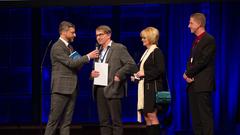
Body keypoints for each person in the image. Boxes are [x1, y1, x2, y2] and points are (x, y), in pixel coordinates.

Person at [44, 21, 99, 135]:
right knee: (53, 121)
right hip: (60, 89)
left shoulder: (70, 47)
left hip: (72, 88)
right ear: (64, 32)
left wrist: (91, 71)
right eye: (72, 32)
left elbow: (77, 65)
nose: (75, 35)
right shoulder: (57, 47)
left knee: (66, 122)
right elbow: (71, 63)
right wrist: (88, 56)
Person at [90, 25, 137, 135]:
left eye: (100, 34)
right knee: (103, 122)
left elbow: (132, 65)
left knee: (116, 122)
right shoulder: (98, 50)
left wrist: (119, 74)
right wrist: (92, 74)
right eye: (96, 35)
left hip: (113, 88)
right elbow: (97, 68)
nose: (98, 37)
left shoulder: (119, 48)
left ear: (109, 35)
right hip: (99, 88)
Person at [183, 13, 216, 135]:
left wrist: (188, 73)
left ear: (199, 24)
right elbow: (191, 60)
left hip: (202, 84)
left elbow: (203, 61)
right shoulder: (196, 40)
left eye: (191, 23)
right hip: (193, 84)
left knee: (205, 118)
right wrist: (188, 75)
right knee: (196, 119)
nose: (188, 26)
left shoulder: (208, 40)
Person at [133, 27, 165, 135]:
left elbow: (160, 70)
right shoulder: (147, 52)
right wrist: (137, 76)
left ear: (151, 38)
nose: (142, 39)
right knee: (146, 116)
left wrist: (144, 73)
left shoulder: (156, 52)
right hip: (146, 88)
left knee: (152, 115)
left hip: (154, 89)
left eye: (144, 37)